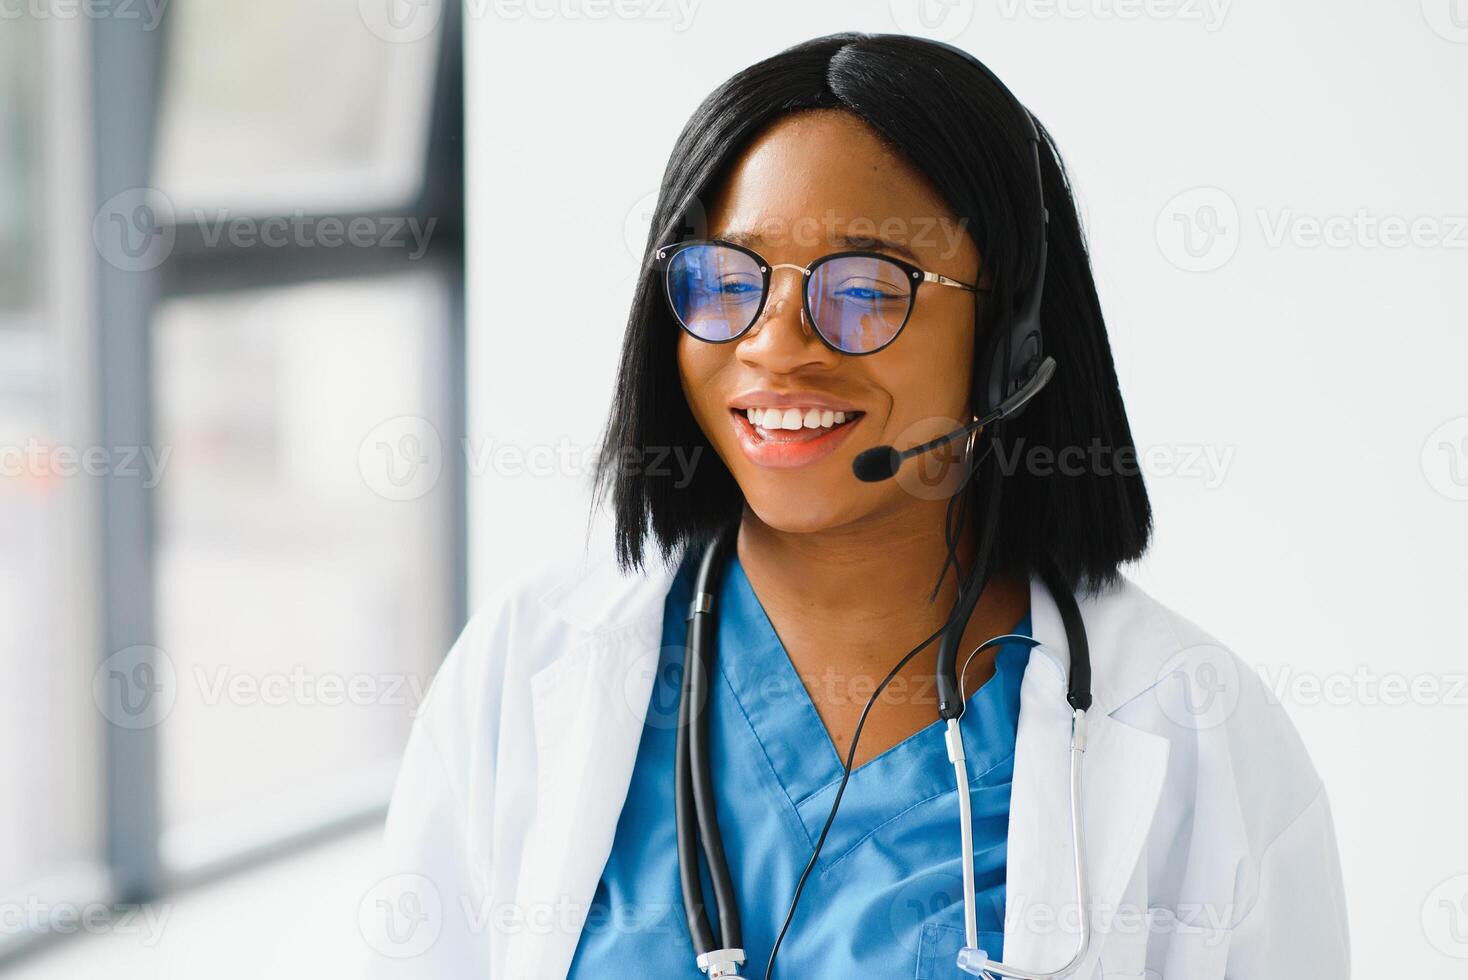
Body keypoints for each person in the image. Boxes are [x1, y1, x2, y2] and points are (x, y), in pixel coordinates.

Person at [362, 32, 1349, 980]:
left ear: (1009, 341)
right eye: (726, 278)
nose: (776, 340)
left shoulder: (1194, 726)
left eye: (867, 286)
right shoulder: (525, 664)